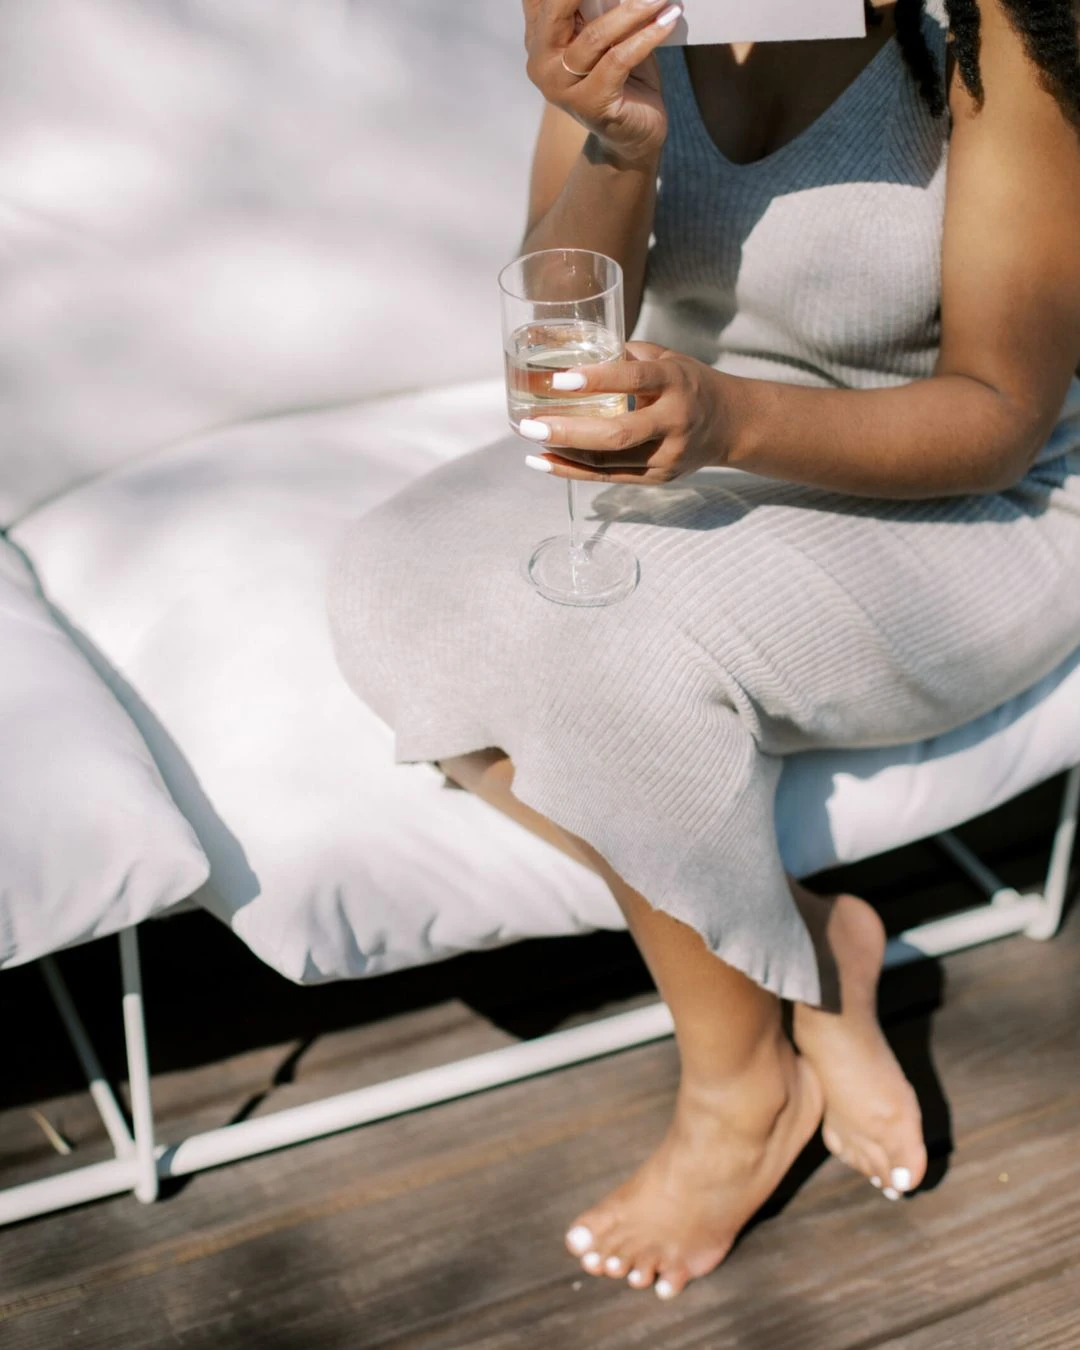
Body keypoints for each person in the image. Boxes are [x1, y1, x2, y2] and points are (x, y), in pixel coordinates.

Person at [329, 0, 1080, 1300]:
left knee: (600, 657)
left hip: (966, 500)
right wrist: (612, 138)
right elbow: (550, 335)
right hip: (724, 453)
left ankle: (742, 1091)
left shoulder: (995, 23)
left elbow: (1002, 413)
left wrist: (725, 412)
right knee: (393, 578)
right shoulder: (640, 11)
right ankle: (804, 941)